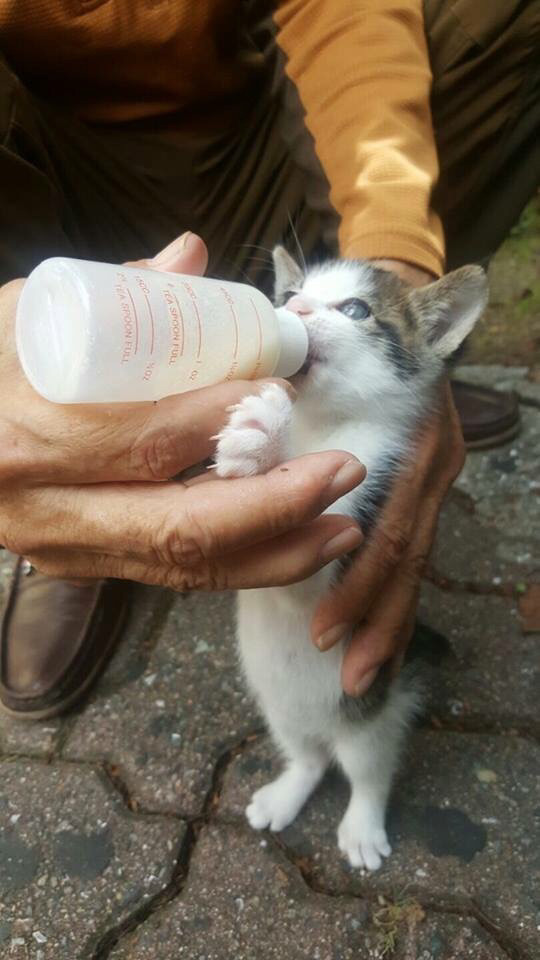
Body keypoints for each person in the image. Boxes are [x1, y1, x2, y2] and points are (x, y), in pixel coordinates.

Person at [0, 1, 536, 719]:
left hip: (253, 152)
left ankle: (380, 396)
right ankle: (71, 475)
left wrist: (395, 252)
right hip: (47, 192)